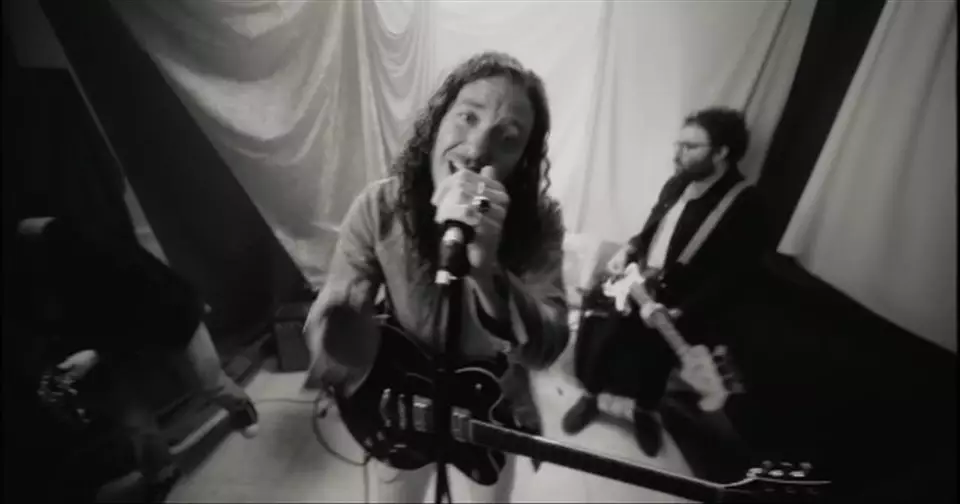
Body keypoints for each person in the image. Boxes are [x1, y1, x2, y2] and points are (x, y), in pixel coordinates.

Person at [302, 51, 569, 503]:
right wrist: (342, 333)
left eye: (507, 138)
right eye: (467, 117)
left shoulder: (540, 222)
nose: (477, 148)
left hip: (492, 406)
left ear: (522, 160)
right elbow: (335, 310)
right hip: (402, 408)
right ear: (436, 122)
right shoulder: (380, 208)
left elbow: (550, 342)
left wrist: (487, 271)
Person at [564, 107, 767, 476]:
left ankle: (644, 413)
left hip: (680, 304)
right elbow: (652, 231)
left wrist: (684, 310)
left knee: (655, 364)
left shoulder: (745, 204)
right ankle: (590, 398)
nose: (678, 153)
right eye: (679, 144)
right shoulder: (676, 184)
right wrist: (630, 249)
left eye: (690, 147)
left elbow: (732, 276)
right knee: (605, 341)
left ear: (721, 152)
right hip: (639, 284)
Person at [8, 215, 261, 502]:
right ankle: (161, 473)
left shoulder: (103, 255)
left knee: (207, 382)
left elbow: (147, 308)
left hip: (169, 318)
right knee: (134, 421)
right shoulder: (39, 275)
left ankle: (240, 406)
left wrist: (96, 354)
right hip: (111, 343)